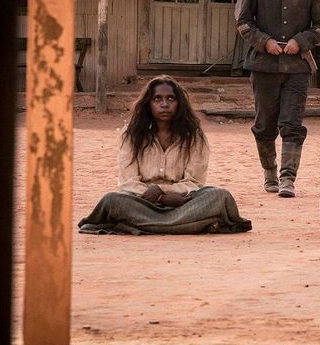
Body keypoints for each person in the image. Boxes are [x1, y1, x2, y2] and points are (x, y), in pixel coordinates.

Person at [78, 75, 252, 235]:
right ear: (148, 104)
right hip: (142, 202)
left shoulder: (194, 135)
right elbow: (128, 182)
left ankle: (134, 225)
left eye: (171, 98)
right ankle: (192, 225)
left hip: (183, 202)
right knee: (112, 200)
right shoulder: (130, 135)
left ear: (179, 103)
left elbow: (195, 182)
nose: (164, 104)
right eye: (157, 99)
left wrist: (164, 191)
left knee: (220, 196)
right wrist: (159, 198)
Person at [237, 0, 320, 198]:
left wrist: (301, 41)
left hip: (297, 68)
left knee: (292, 123)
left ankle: (288, 178)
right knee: (265, 124)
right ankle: (269, 174)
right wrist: (264, 42)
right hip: (263, 67)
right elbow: (243, 23)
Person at [230, 0, 256, 77]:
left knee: (251, 44)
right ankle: (238, 68)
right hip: (244, 20)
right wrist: (238, 21)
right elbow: (239, 6)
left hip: (253, 21)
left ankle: (248, 68)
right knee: (242, 45)